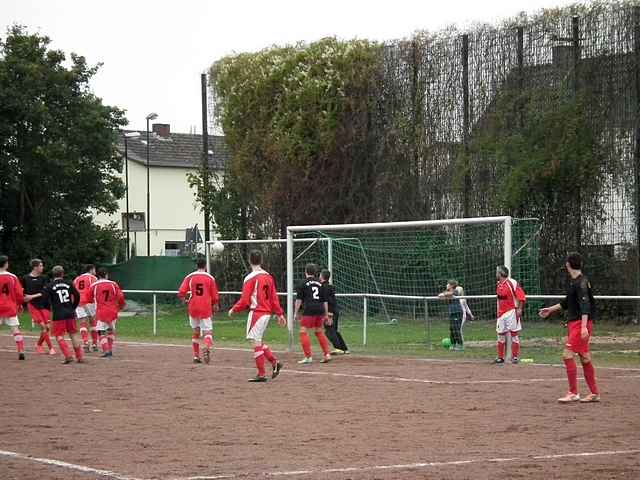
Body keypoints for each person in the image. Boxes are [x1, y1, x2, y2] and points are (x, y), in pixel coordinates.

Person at [539, 253, 600, 403]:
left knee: (567, 354)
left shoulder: (581, 283)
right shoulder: (575, 282)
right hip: (576, 324)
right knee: (584, 357)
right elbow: (566, 303)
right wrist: (550, 310)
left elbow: (585, 306)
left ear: (567, 265)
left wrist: (584, 327)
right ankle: (594, 393)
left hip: (580, 324)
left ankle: (573, 392)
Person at [228, 250, 285, 382]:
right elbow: (274, 298)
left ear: (249, 260)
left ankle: (261, 374)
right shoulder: (268, 276)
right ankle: (275, 363)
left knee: (255, 342)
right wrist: (280, 314)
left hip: (257, 313)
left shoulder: (250, 278)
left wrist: (234, 309)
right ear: (261, 260)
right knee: (258, 341)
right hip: (266, 313)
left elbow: (245, 300)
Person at [178, 257, 220, 364]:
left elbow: (181, 292)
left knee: (196, 331)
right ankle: (206, 347)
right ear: (205, 266)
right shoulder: (210, 278)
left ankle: (196, 356)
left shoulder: (190, 277)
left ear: (196, 266)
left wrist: (185, 301)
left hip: (193, 306)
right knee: (208, 332)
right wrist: (215, 304)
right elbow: (214, 296)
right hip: (205, 307)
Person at [43, 265, 84, 364]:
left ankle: (68, 355)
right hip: (70, 312)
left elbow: (45, 301)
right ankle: (79, 357)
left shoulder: (49, 286)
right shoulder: (69, 283)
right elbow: (77, 296)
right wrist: (73, 307)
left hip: (58, 314)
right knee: (73, 334)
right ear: (63, 273)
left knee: (59, 336)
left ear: (53, 274)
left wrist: (50, 308)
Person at [295, 263, 331, 365]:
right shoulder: (320, 283)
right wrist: (326, 314)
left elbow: (299, 299)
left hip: (309, 309)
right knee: (319, 331)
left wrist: (295, 312)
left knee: (303, 331)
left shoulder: (302, 283)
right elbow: (325, 300)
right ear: (315, 273)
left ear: (306, 272)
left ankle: (308, 357)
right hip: (320, 309)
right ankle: (327, 354)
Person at [88, 268, 125, 358]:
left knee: (101, 332)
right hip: (112, 310)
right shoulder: (113, 284)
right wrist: (121, 306)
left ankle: (106, 350)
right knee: (110, 330)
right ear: (106, 275)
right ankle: (110, 349)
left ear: (98, 276)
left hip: (101, 311)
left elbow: (89, 298)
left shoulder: (94, 285)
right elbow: (120, 297)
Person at [22, 258, 55, 355]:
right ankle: (51, 348)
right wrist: (22, 299)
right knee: (43, 327)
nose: (42, 267)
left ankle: (38, 345)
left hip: (44, 304)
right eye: (40, 265)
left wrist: (31, 296)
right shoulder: (25, 278)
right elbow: (22, 291)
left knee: (47, 327)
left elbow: (44, 292)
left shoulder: (44, 278)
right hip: (33, 305)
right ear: (35, 267)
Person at [495, 266, 526, 364]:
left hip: (511, 312)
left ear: (501, 273)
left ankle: (515, 357)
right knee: (500, 335)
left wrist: (520, 308)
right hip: (501, 314)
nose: (496, 274)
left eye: (497, 272)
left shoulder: (512, 282)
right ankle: (500, 357)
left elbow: (521, 296)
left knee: (514, 334)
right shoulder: (499, 284)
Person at [0, 255, 26, 360]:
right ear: (6, 264)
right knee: (15, 329)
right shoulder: (12, 276)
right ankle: (21, 350)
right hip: (10, 306)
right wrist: (20, 304)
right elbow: (19, 293)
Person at [438, 279, 473, 351]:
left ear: (452, 285)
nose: (446, 285)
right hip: (452, 313)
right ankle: (453, 344)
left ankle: (460, 345)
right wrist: (444, 295)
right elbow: (442, 297)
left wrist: (444, 294)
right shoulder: (449, 292)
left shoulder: (455, 291)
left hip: (457, 312)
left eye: (447, 284)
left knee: (456, 329)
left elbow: (448, 294)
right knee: (451, 329)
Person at [320, 269, 349, 355]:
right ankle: (344, 348)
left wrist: (329, 313)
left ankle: (338, 348)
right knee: (334, 330)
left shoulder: (323, 287)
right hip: (335, 310)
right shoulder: (329, 287)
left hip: (330, 311)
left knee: (329, 331)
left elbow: (327, 301)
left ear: (321, 276)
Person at [73, 264, 98, 352]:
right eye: (94, 270)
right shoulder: (93, 278)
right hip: (89, 301)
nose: (95, 272)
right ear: (91, 270)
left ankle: (85, 342)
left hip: (79, 301)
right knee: (92, 321)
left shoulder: (77, 278)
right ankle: (94, 344)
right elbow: (95, 290)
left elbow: (73, 290)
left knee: (82, 322)